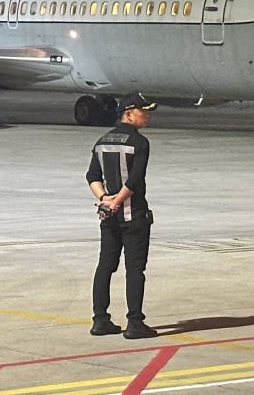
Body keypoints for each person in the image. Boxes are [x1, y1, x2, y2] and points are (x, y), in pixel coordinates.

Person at [86, 92, 157, 339]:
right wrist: (118, 200)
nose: (146, 116)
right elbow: (135, 180)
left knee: (105, 266)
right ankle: (135, 322)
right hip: (133, 215)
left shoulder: (102, 141)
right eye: (143, 111)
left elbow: (92, 176)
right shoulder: (140, 143)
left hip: (109, 217)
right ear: (128, 113)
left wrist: (105, 199)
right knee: (135, 269)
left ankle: (100, 319)